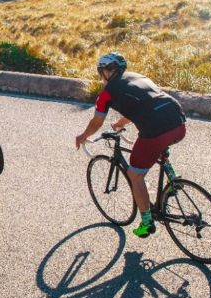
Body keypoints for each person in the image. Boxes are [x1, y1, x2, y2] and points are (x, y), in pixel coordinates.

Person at [75, 52, 187, 238]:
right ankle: (173, 181)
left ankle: (146, 222)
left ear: (105, 71)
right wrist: (120, 123)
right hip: (178, 123)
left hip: (156, 131)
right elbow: (145, 103)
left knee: (135, 174)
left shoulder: (106, 93)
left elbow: (97, 122)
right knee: (155, 147)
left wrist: (83, 135)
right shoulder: (138, 77)